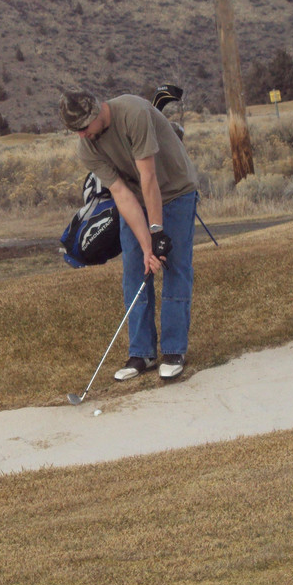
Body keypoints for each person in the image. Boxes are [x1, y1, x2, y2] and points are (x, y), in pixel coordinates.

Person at [59, 88, 199, 381]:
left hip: (175, 190)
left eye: (84, 128)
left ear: (97, 112)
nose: (82, 136)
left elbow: (149, 177)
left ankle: (174, 350)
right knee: (135, 270)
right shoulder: (88, 148)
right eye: (75, 131)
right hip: (135, 198)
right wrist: (147, 246)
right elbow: (121, 193)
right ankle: (142, 353)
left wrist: (157, 233)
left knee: (175, 266)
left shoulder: (133, 113)